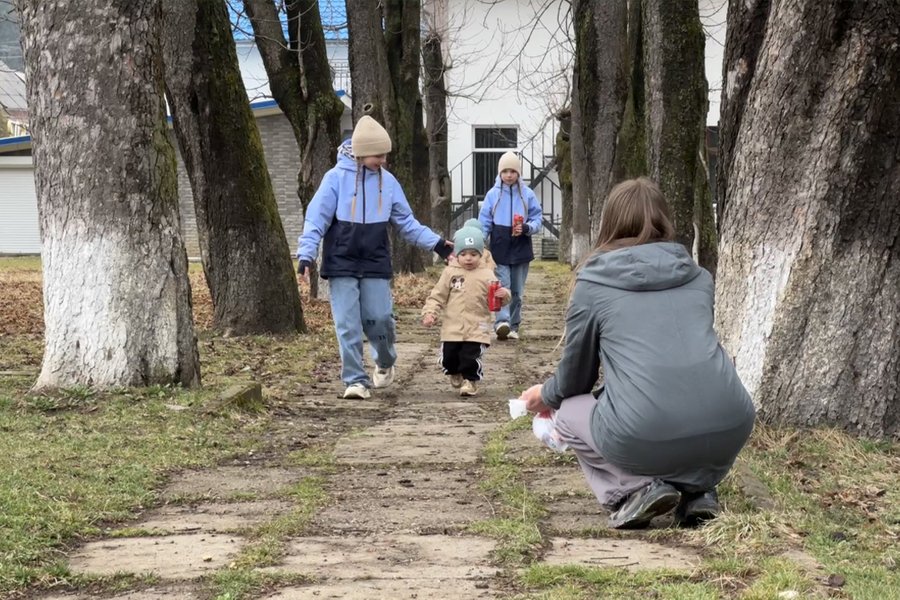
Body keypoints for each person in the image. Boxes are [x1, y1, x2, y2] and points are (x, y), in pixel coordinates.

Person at [520, 177, 755, 529]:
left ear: (610, 223)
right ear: (665, 220)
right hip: (731, 422)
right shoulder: (699, 277)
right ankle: (699, 492)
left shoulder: (594, 284)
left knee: (569, 410)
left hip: (647, 428)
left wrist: (544, 395)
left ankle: (635, 491)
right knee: (676, 407)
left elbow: (575, 380)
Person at [297, 116, 454, 400]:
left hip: (375, 261)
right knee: (347, 324)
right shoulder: (334, 179)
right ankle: (355, 380)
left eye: (385, 155)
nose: (383, 160)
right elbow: (315, 219)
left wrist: (439, 245)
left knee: (379, 319)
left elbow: (407, 223)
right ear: (361, 151)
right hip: (341, 260)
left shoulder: (389, 182)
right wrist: (306, 254)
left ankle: (384, 360)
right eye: (378, 155)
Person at [422, 225, 509, 396]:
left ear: (481, 254)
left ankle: (471, 381)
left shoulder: (487, 274)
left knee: (470, 357)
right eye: (464, 254)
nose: (468, 259)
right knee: (449, 357)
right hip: (452, 327)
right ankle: (454, 371)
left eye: (473, 254)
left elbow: (499, 297)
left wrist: (504, 294)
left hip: (477, 326)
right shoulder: (450, 273)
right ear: (457, 254)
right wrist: (430, 312)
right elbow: (437, 295)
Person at [477, 151, 542, 341]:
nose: (509, 175)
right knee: (501, 285)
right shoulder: (492, 195)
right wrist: (480, 244)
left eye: (513, 171)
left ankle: (514, 325)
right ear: (499, 173)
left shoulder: (527, 195)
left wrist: (528, 227)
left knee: (517, 291)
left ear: (518, 173)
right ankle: (501, 323)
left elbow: (537, 217)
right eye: (505, 171)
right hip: (500, 245)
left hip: (521, 245)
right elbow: (485, 221)